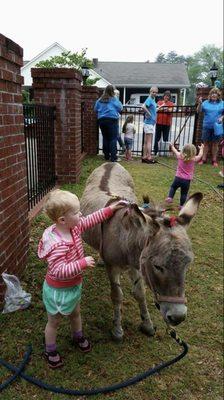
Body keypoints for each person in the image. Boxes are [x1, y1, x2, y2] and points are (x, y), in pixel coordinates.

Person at [38, 189, 125, 368]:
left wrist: (111, 209)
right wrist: (81, 263)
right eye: (77, 212)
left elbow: (90, 219)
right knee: (53, 321)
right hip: (57, 290)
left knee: (75, 313)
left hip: (73, 286)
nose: (81, 214)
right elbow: (58, 270)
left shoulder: (74, 227)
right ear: (62, 220)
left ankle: (78, 336)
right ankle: (50, 350)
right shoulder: (57, 245)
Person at [165, 143, 204, 207]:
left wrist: (172, 146)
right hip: (186, 180)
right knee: (184, 193)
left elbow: (175, 151)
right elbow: (200, 155)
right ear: (194, 152)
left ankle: (170, 197)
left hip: (178, 178)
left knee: (173, 187)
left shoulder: (180, 156)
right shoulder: (194, 159)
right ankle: (181, 206)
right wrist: (201, 148)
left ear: (183, 150)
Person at [94, 85, 123, 162]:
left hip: (102, 120)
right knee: (113, 138)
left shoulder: (100, 100)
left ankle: (106, 156)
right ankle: (113, 157)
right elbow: (120, 108)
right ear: (112, 91)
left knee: (105, 137)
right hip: (112, 120)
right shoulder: (114, 99)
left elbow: (95, 109)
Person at [197, 88, 224, 167]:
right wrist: (199, 103)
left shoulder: (222, 103)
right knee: (206, 143)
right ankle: (203, 159)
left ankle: (214, 160)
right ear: (210, 95)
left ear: (218, 95)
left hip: (217, 127)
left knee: (215, 144)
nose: (214, 94)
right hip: (206, 126)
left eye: (215, 93)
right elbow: (198, 111)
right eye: (212, 93)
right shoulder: (205, 103)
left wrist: (222, 117)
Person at [154, 90, 174, 156]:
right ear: (164, 96)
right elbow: (157, 109)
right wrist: (165, 109)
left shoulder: (171, 103)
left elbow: (170, 110)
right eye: (166, 96)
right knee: (157, 138)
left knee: (165, 138)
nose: (167, 97)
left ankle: (164, 152)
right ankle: (155, 151)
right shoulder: (159, 102)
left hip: (167, 123)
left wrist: (163, 108)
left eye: (168, 96)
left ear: (169, 97)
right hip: (159, 122)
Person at [142, 87, 158, 163]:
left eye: (156, 92)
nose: (154, 93)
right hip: (149, 123)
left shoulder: (152, 100)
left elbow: (152, 109)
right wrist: (148, 113)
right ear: (150, 91)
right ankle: (149, 157)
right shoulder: (149, 99)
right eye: (153, 92)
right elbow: (143, 106)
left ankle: (144, 156)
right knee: (149, 141)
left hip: (149, 123)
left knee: (146, 141)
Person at [114, 89, 126, 154]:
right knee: (116, 134)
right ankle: (123, 147)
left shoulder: (118, 102)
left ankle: (122, 147)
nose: (117, 95)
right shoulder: (112, 100)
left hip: (116, 118)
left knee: (116, 134)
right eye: (115, 94)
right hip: (113, 118)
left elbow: (121, 108)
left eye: (118, 94)